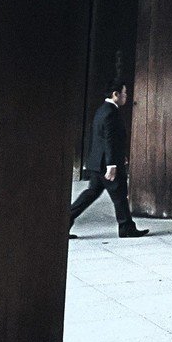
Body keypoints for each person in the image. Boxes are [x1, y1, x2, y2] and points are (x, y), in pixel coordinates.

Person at [69, 81, 149, 239]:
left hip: (98, 163)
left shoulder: (102, 110)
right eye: (124, 93)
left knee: (91, 194)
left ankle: (65, 220)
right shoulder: (111, 112)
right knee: (120, 195)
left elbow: (100, 139)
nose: (126, 96)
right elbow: (109, 140)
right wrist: (112, 164)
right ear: (116, 94)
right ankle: (126, 227)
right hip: (107, 164)